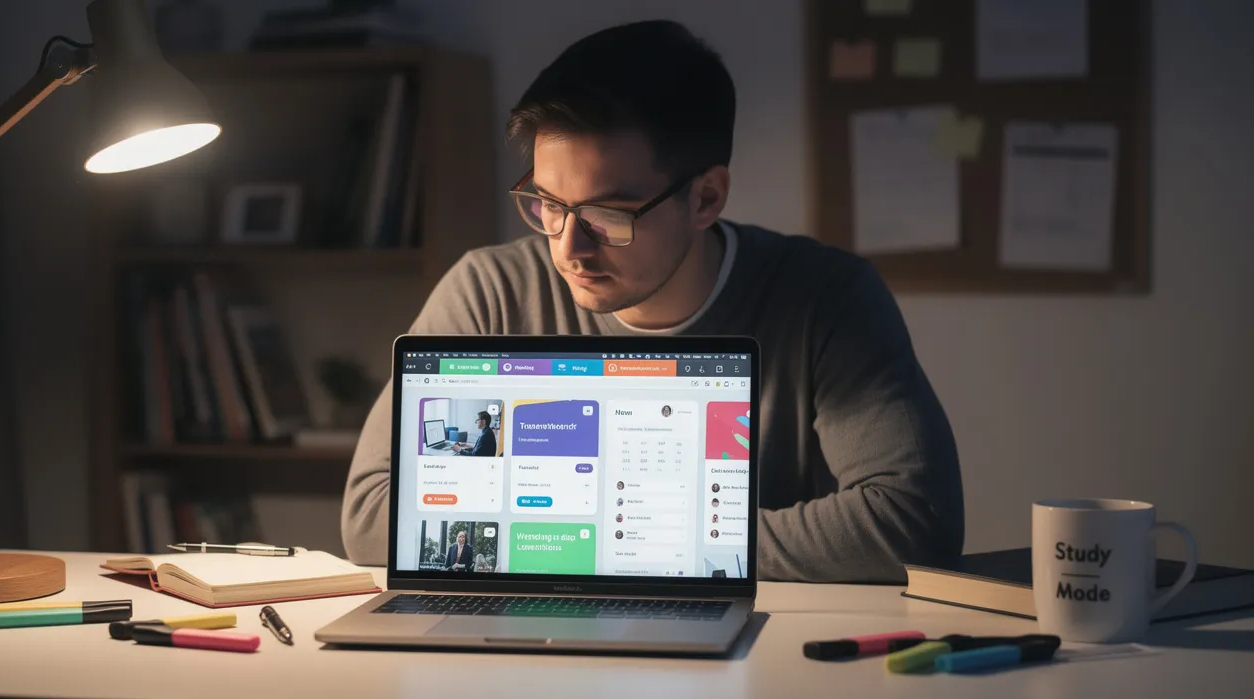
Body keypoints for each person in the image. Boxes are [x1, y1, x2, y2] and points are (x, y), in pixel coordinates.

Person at [343, 20, 964, 583]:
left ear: (706, 198)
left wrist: (618, 539)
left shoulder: (826, 298)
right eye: (547, 204)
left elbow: (913, 520)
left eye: (608, 215)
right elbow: (372, 511)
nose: (568, 248)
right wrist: (678, 543)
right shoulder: (489, 292)